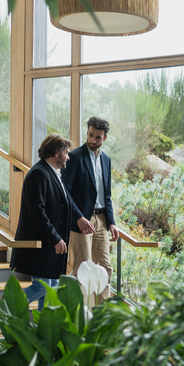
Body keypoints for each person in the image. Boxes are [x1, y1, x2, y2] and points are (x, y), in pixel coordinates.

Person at [9, 133, 78, 309]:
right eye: (66, 152)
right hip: (42, 244)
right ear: (56, 152)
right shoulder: (38, 173)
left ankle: (43, 331)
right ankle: (7, 308)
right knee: (43, 286)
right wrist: (55, 238)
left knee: (51, 288)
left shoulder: (51, 173)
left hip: (50, 246)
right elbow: (36, 211)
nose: (68, 157)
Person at [61, 116, 120, 290]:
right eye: (90, 135)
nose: (93, 140)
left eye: (98, 137)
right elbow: (65, 191)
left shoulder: (106, 160)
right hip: (81, 220)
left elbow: (106, 195)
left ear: (105, 138)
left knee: (105, 268)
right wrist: (78, 217)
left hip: (101, 220)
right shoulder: (74, 157)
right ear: (87, 132)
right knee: (81, 269)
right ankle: (80, 315)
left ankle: (101, 315)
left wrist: (111, 223)